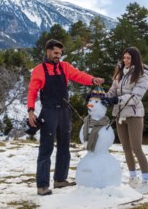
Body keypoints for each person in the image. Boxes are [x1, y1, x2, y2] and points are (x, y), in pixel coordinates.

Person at [27, 39, 104, 196]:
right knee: (46, 149)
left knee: (64, 146)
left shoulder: (65, 67)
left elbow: (79, 76)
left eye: (60, 53)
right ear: (47, 51)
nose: (58, 56)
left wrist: (92, 80)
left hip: (64, 111)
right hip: (48, 112)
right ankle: (42, 185)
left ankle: (60, 180)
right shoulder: (39, 70)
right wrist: (30, 111)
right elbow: (32, 91)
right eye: (55, 53)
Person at [101, 46, 148, 194]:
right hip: (119, 114)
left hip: (134, 114)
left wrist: (115, 100)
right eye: (124, 58)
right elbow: (112, 91)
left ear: (135, 59)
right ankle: (133, 178)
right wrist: (103, 97)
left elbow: (135, 96)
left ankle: (146, 181)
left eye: (129, 58)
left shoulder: (142, 76)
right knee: (125, 148)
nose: (125, 61)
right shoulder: (119, 74)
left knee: (136, 148)